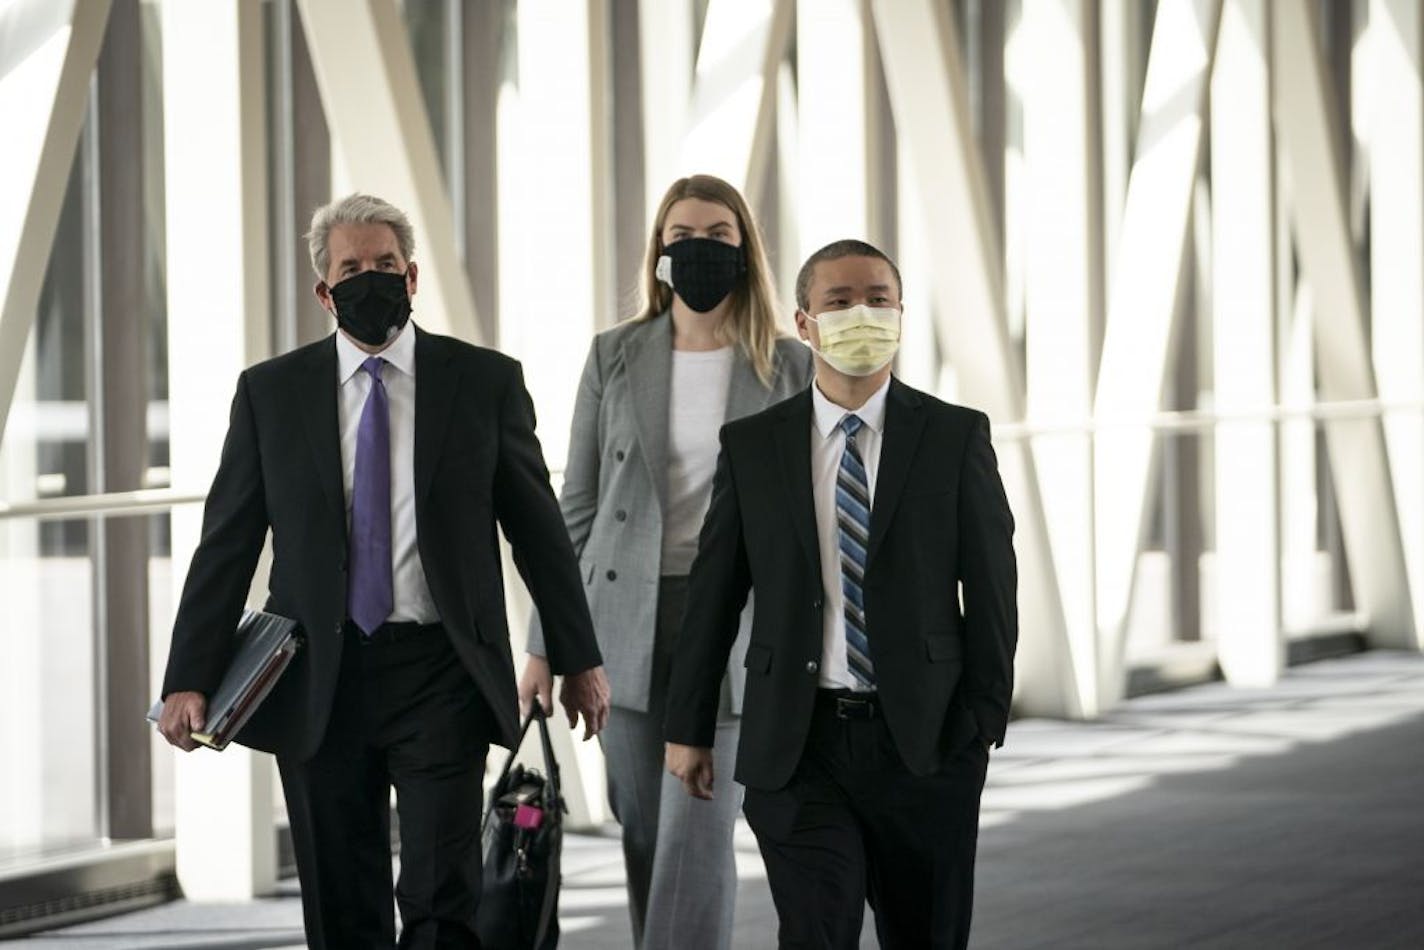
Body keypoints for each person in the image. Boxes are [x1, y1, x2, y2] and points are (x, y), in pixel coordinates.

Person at [156, 193, 611, 949]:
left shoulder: (483, 382)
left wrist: (578, 657)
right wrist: (188, 675)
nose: (371, 278)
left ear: (413, 277)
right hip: (317, 677)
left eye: (386, 265)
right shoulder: (271, 393)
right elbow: (227, 543)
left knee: (441, 897)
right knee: (341, 907)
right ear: (323, 290)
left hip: (441, 672)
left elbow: (540, 532)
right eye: (352, 268)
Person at [664, 239, 1017, 949]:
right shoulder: (754, 446)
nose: (862, 314)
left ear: (901, 314)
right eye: (839, 302)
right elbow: (714, 595)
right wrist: (688, 725)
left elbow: (993, 589)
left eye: (877, 300)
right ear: (804, 322)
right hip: (800, 745)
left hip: (926, 742)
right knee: (816, 932)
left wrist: (981, 723)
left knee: (927, 936)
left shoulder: (954, 436)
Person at [520, 174, 813, 948]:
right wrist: (543, 644)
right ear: (658, 253)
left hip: (736, 624)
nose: (698, 249)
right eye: (682, 234)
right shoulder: (615, 356)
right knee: (646, 832)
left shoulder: (788, 367)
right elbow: (574, 511)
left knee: (697, 833)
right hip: (624, 623)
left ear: (745, 251)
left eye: (718, 235)